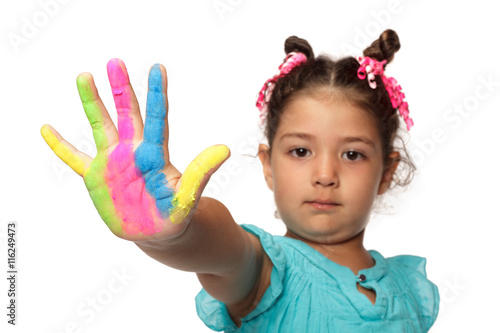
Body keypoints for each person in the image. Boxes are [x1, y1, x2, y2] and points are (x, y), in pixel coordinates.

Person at [41, 29, 439, 332]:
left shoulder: (410, 288)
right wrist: (176, 232)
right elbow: (223, 247)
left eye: (352, 154)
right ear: (268, 164)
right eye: (300, 151)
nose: (324, 175)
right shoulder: (264, 272)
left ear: (386, 172)